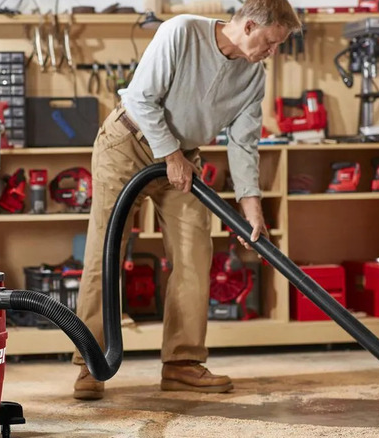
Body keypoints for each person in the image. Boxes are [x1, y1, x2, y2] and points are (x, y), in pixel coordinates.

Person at [72, 0, 301, 400]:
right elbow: (142, 98)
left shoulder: (253, 76)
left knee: (195, 252)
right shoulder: (181, 32)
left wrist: (252, 212)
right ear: (248, 26)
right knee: (104, 254)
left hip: (183, 160)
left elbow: (243, 145)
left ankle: (182, 363)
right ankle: (91, 363)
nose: (272, 51)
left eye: (278, 45)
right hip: (128, 144)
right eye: (270, 42)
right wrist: (171, 155)